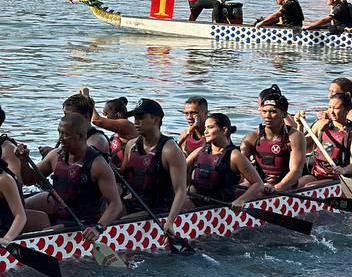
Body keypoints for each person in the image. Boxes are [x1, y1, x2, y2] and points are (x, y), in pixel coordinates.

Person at [25, 113, 125, 242]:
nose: (60, 138)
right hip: (59, 215)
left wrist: (98, 228)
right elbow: (29, 179)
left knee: (48, 233)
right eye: (59, 133)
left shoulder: (97, 164)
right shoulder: (55, 155)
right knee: (17, 217)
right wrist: (23, 160)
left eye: (66, 134)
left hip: (85, 223)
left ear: (81, 136)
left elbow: (116, 204)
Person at [118, 99, 190, 232]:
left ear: (156, 120)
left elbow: (181, 190)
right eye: (135, 118)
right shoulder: (131, 145)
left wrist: (170, 221)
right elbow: (121, 175)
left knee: (120, 223)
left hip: (159, 209)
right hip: (134, 202)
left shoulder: (170, 150)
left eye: (141, 118)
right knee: (103, 215)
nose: (136, 122)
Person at [185, 112, 267, 206]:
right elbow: (181, 169)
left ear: (224, 130)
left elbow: (258, 184)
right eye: (205, 128)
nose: (205, 132)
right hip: (195, 199)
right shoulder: (200, 151)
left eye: (210, 127)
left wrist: (241, 200)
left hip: (218, 205)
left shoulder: (234, 156)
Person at [241, 90, 306, 190]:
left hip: (286, 187)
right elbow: (239, 164)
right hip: (259, 185)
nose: (267, 116)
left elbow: (296, 171)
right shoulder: (253, 137)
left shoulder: (294, 137)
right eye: (264, 111)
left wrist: (276, 188)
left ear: (284, 114)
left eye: (273, 112)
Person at [300, 92, 352, 186]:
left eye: (336, 108)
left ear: (346, 110)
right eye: (329, 107)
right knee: (298, 184)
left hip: (336, 177)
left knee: (309, 186)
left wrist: (344, 170)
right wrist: (299, 125)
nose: (331, 111)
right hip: (317, 172)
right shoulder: (321, 124)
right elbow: (300, 145)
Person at [61, 91, 113, 156]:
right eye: (65, 115)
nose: (65, 119)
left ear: (86, 117)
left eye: (70, 115)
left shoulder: (98, 141)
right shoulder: (72, 136)